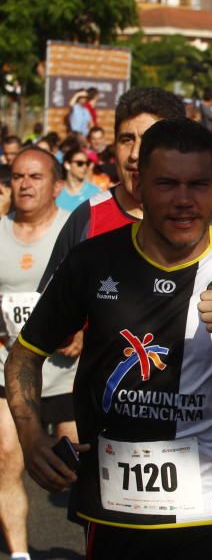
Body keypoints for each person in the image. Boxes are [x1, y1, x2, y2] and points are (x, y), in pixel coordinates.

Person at [4, 118, 212, 558]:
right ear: (140, 186)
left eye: (198, 184)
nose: (183, 200)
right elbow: (23, 357)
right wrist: (29, 437)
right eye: (166, 184)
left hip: (209, 509)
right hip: (114, 506)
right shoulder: (93, 260)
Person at [41, 87, 212, 286]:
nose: (135, 154)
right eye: (126, 139)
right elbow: (49, 316)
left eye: (149, 139)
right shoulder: (88, 217)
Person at [0, 149, 76, 560]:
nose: (25, 184)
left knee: (77, 467)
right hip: (11, 370)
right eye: (17, 176)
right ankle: (18, 553)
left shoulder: (74, 232)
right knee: (5, 455)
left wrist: (83, 329)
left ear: (57, 186)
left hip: (68, 371)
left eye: (35, 176)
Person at [55, 146, 100, 211]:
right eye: (80, 163)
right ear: (67, 165)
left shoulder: (95, 192)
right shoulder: (55, 190)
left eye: (87, 163)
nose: (84, 167)